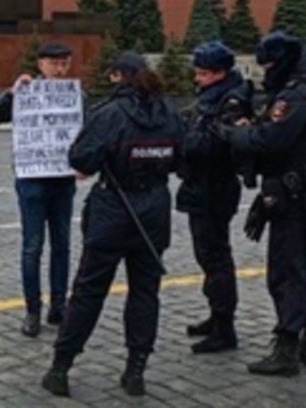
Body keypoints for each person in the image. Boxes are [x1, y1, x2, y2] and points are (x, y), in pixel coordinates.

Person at [41, 52, 184, 398]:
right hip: (153, 209)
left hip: (114, 209)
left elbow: (81, 158)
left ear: (120, 77)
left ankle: (61, 367)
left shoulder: (109, 114)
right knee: (145, 291)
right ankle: (136, 370)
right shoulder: (169, 114)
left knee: (89, 291)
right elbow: (184, 155)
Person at [221, 31, 306, 378]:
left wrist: (233, 132)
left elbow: (270, 139)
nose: (265, 73)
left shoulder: (299, 92)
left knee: (288, 269)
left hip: (296, 192)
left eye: (269, 65)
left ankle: (288, 344)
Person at [0, 42, 78, 336]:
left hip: (63, 181)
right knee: (32, 247)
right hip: (32, 181)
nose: (60, 70)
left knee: (61, 245)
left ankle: (59, 306)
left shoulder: (74, 95)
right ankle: (32, 310)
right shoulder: (26, 92)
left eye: (65, 64)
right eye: (55, 64)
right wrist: (11, 93)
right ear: (40, 65)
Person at [177, 42, 254, 354]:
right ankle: (216, 315)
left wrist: (184, 140)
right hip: (201, 185)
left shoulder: (232, 101)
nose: (197, 78)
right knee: (206, 255)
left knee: (215, 256)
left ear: (221, 73)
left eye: (204, 73)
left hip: (215, 186)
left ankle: (225, 327)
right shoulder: (212, 97)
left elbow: (214, 143)